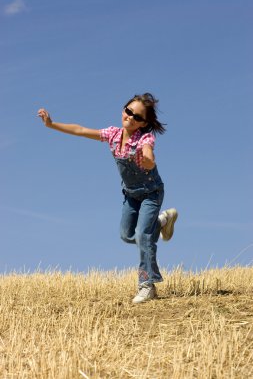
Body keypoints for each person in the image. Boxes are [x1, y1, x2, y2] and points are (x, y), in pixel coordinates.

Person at [38, 92, 178, 304]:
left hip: (151, 193)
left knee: (142, 235)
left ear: (144, 123)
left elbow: (148, 155)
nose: (130, 117)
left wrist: (148, 161)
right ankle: (161, 221)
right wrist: (52, 124)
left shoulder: (144, 139)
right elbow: (81, 130)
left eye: (137, 117)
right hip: (131, 195)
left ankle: (147, 285)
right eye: (128, 111)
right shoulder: (112, 135)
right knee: (126, 235)